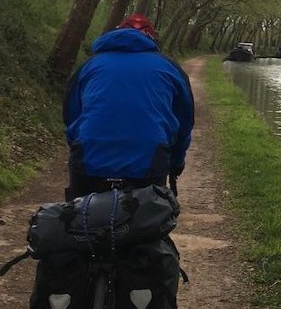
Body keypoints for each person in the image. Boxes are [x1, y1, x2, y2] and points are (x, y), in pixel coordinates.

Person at [62, 14, 195, 200]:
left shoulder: (89, 66)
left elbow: (71, 115)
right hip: (151, 159)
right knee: (151, 223)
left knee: (80, 219)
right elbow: (184, 122)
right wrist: (176, 162)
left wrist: (79, 147)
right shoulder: (169, 67)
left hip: (88, 158)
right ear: (151, 38)